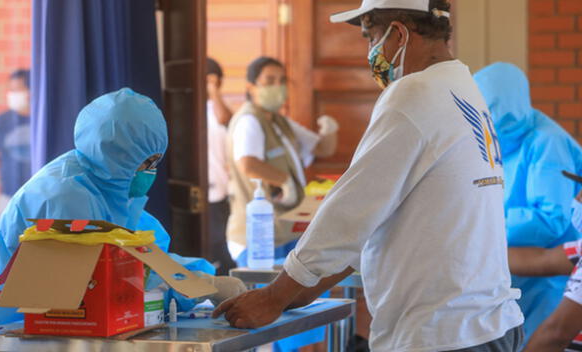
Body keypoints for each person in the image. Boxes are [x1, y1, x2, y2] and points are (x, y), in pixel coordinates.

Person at [214, 1, 525, 351]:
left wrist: (275, 296)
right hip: (487, 325)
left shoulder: (413, 93)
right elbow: (376, 216)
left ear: (398, 33)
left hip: (442, 334)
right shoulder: (462, 86)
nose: (370, 51)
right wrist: (302, 289)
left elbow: (349, 212)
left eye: (370, 36)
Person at [0, 88, 228, 352]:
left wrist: (198, 278)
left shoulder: (109, 192)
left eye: (155, 162)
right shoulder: (64, 196)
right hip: (13, 337)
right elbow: (104, 279)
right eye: (145, 162)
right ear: (117, 154)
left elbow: (145, 257)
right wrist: (200, 285)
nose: (150, 172)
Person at [474, 62, 582, 344]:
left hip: (547, 281)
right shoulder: (494, 143)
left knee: (545, 339)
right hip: (515, 273)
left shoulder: (548, 143)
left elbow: (550, 219)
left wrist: (481, 229)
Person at [226, 56, 339, 261]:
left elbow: (323, 148)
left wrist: (330, 130)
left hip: (284, 231)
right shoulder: (249, 121)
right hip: (257, 238)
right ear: (251, 87)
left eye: (282, 81)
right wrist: (284, 181)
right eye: (269, 81)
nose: (277, 87)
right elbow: (248, 164)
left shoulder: (280, 122)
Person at [0, 69, 32, 220]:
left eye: (17, 90)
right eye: (11, 90)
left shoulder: (44, 119)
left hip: (38, 196)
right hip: (8, 196)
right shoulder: (2, 121)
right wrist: (8, 169)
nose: (12, 94)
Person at [206, 57, 237, 275]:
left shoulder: (215, 108)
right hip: (203, 193)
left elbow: (225, 118)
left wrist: (213, 90)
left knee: (221, 247)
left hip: (220, 191)